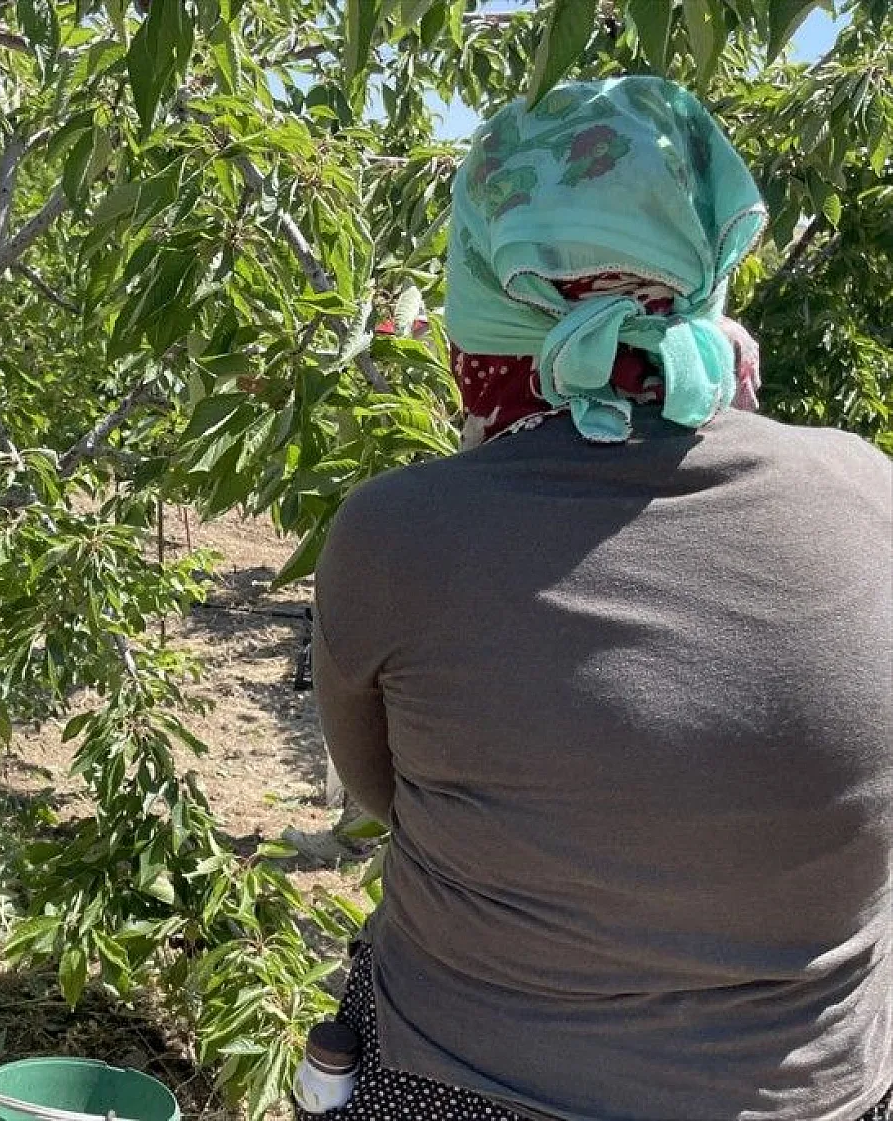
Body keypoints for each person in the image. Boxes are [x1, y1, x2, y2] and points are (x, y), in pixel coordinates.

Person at [312, 76, 892, 1121]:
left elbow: (383, 796)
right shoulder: (869, 492)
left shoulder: (398, 533)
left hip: (462, 1088)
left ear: (485, 295)